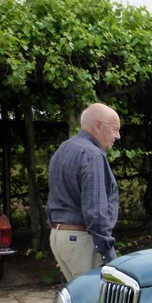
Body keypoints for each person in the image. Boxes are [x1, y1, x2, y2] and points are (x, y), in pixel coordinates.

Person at [47, 103, 121, 281]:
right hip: (80, 239)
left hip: (59, 236)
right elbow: (95, 212)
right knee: (94, 302)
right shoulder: (92, 155)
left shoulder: (64, 149)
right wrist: (108, 255)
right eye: (115, 130)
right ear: (98, 125)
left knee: (77, 299)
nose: (117, 136)